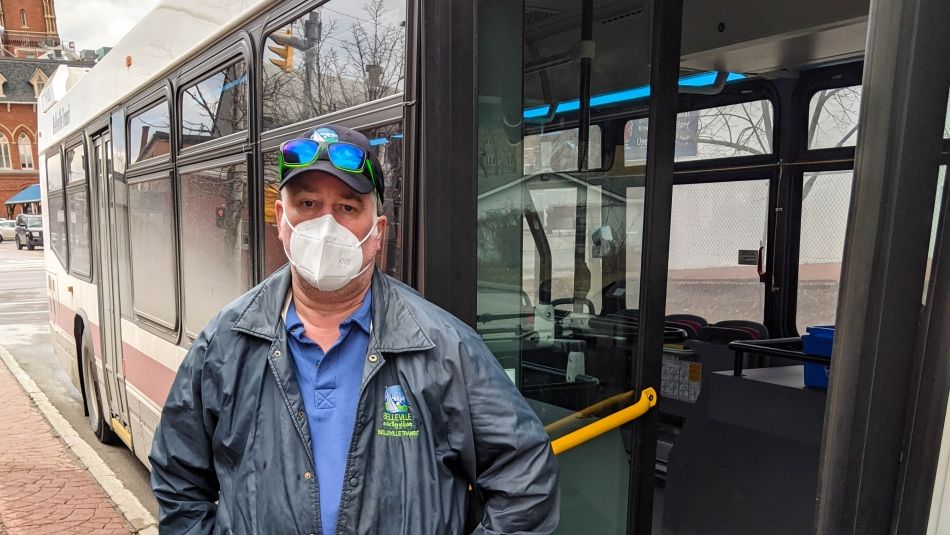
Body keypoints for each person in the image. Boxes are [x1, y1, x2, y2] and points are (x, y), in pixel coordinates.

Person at [149, 124, 560, 534]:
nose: (325, 226)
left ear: (377, 231)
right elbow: (178, 477)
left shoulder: (442, 347)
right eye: (307, 204)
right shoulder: (226, 342)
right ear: (281, 220)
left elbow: (524, 475)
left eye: (347, 208)